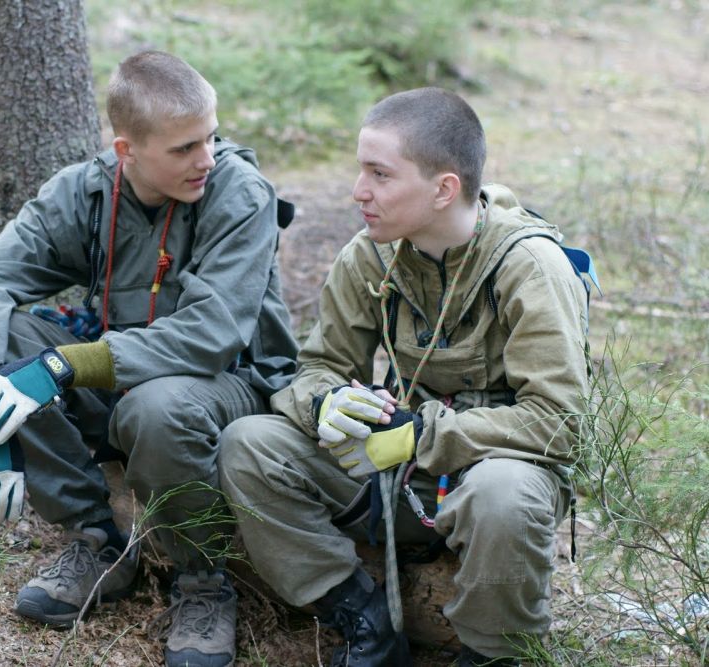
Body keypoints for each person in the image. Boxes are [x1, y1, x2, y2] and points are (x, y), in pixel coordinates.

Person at [0, 50, 298, 667]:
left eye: (210, 137)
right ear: (128, 150)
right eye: (184, 148)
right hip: (125, 386)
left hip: (231, 388)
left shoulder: (239, 193)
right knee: (11, 340)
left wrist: (60, 368)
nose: (206, 159)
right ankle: (96, 540)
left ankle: (203, 581)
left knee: (155, 405)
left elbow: (213, 333)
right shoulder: (87, 192)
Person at [219, 87, 590, 666]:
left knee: (502, 495)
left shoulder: (529, 268)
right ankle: (362, 619)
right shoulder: (372, 256)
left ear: (443, 189)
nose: (358, 191)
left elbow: (559, 422)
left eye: (380, 174)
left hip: (496, 477)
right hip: (400, 476)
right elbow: (318, 367)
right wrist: (325, 403)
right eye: (360, 170)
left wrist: (420, 434)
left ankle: (493, 654)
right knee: (250, 444)